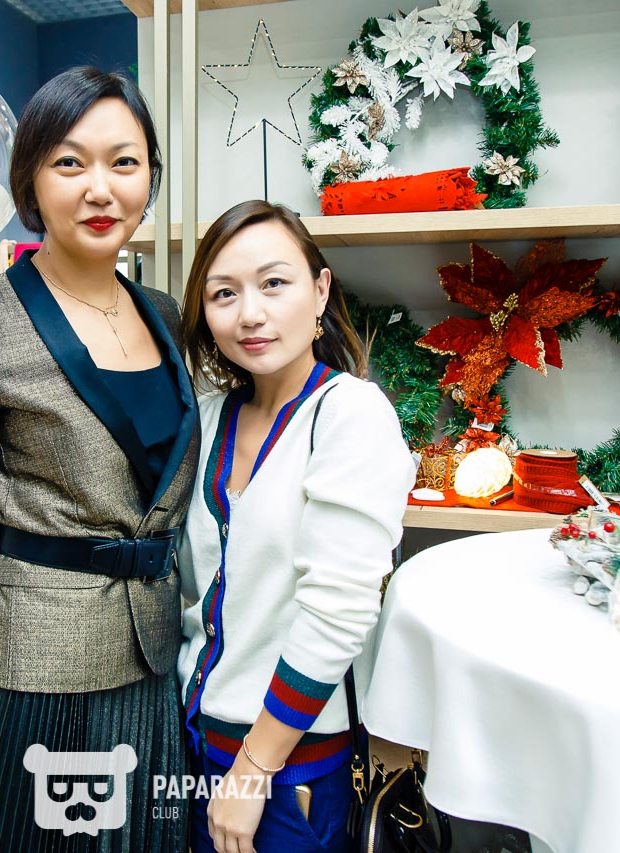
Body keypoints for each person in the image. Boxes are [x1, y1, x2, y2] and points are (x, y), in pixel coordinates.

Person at [0, 66, 197, 852]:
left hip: (149, 657)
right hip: (28, 665)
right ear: (29, 177)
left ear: (150, 177)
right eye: (70, 162)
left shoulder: (163, 314)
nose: (101, 188)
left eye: (124, 162)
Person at [177, 201, 414, 853]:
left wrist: (253, 769)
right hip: (195, 747)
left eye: (274, 283)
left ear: (320, 290)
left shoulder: (349, 414)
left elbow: (338, 611)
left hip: (286, 767)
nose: (250, 313)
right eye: (224, 293)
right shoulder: (206, 418)